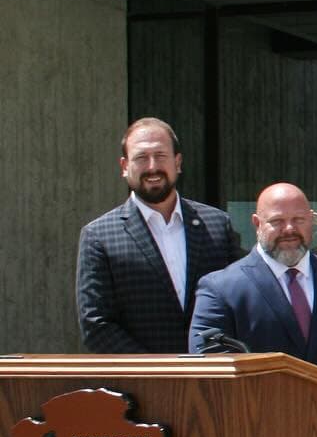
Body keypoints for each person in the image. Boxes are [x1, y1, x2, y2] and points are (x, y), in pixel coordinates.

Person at [188, 181, 317, 396]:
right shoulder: (221, 289)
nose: (289, 229)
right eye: (277, 221)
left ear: (311, 220)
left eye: (298, 220)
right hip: (256, 424)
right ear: (257, 224)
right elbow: (209, 364)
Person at [76, 117, 242, 353]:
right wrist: (157, 373)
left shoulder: (216, 224)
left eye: (161, 156)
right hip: (144, 382)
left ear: (178, 162)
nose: (152, 167)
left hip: (213, 379)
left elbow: (239, 300)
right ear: (124, 166)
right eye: (141, 158)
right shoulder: (98, 236)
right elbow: (96, 324)